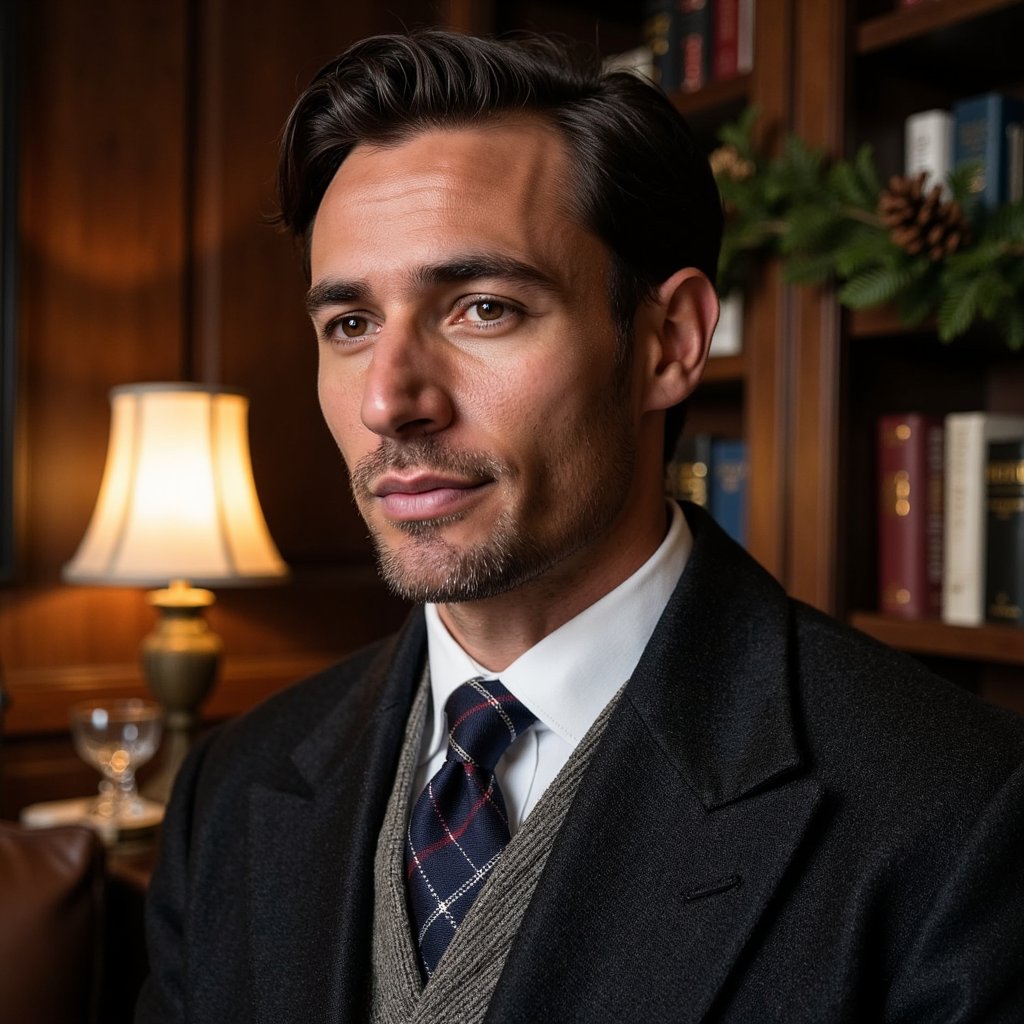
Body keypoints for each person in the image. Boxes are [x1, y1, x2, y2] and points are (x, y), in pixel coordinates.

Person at [136, 30, 1024, 1024]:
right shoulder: (232, 786)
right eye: (349, 324)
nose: (391, 399)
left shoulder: (954, 810)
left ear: (666, 343)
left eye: (480, 307)